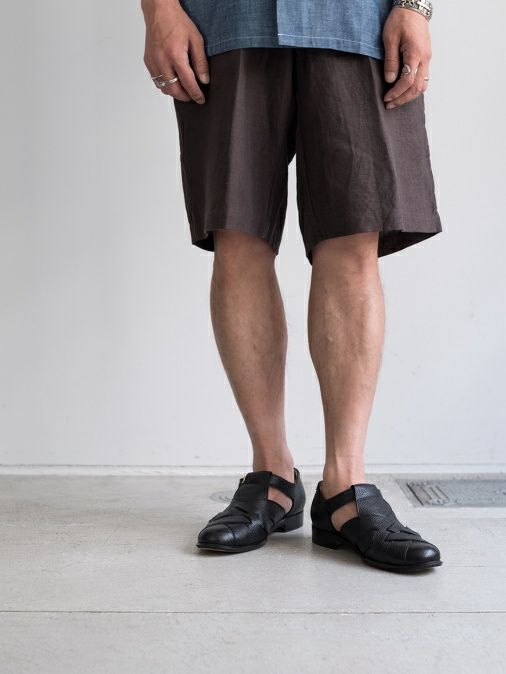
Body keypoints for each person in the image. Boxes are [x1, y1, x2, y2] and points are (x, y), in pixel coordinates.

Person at [141, 0, 443, 572]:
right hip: (225, 21)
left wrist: (415, 5)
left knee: (354, 239)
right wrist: (160, 10)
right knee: (237, 237)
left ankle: (345, 487)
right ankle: (272, 477)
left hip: (361, 20)